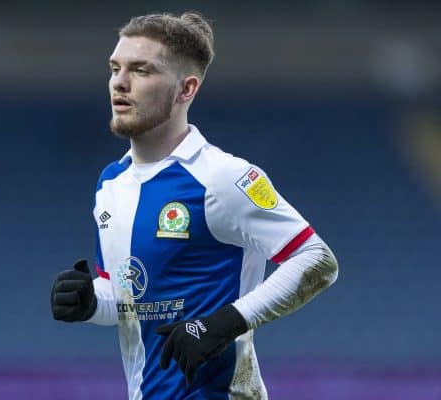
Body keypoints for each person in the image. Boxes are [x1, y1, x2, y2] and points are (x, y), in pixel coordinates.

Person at [51, 11, 338, 400]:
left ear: (186, 89)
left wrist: (221, 324)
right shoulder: (111, 183)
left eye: (141, 70)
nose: (119, 83)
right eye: (115, 68)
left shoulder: (223, 176)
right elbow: (128, 301)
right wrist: (89, 302)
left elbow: (317, 259)